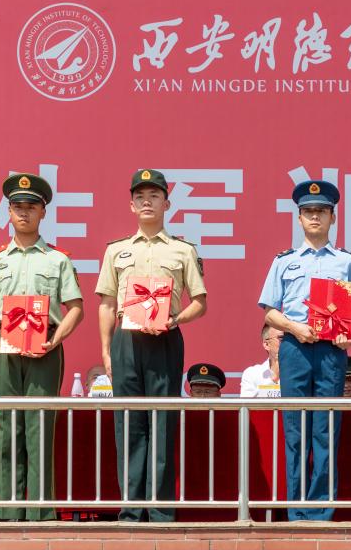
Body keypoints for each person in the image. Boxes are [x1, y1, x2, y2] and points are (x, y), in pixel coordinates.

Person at [95, 168, 207, 522]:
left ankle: (160, 509)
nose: (147, 202)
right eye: (140, 197)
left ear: (166, 204)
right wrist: (106, 349)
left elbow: (200, 302)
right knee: (128, 422)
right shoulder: (116, 251)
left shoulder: (182, 250)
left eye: (154, 196)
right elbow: (106, 304)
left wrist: (176, 319)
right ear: (131, 205)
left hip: (165, 340)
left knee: (162, 421)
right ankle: (131, 508)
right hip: (126, 340)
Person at [0, 173, 84, 521]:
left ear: (43, 212)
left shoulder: (57, 259)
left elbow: (76, 308)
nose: (24, 213)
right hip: (3, 347)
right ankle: (6, 509)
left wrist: (56, 339)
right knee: (7, 426)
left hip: (45, 347)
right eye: (18, 206)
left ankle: (40, 510)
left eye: (31, 207)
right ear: (8, 212)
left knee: (40, 426)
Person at [258, 179, 351, 521]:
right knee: (295, 429)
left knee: (325, 428)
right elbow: (270, 311)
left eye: (321, 211)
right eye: (308, 212)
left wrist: (348, 333)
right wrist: (294, 328)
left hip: (332, 351)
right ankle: (297, 510)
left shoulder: (346, 262)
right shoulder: (284, 261)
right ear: (299, 218)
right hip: (295, 349)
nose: (315, 217)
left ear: (333, 217)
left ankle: (321, 510)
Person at [240, 324, 281, 398]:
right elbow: (245, 404)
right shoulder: (252, 374)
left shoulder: (300, 373)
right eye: (281, 338)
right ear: (267, 344)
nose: (287, 344)